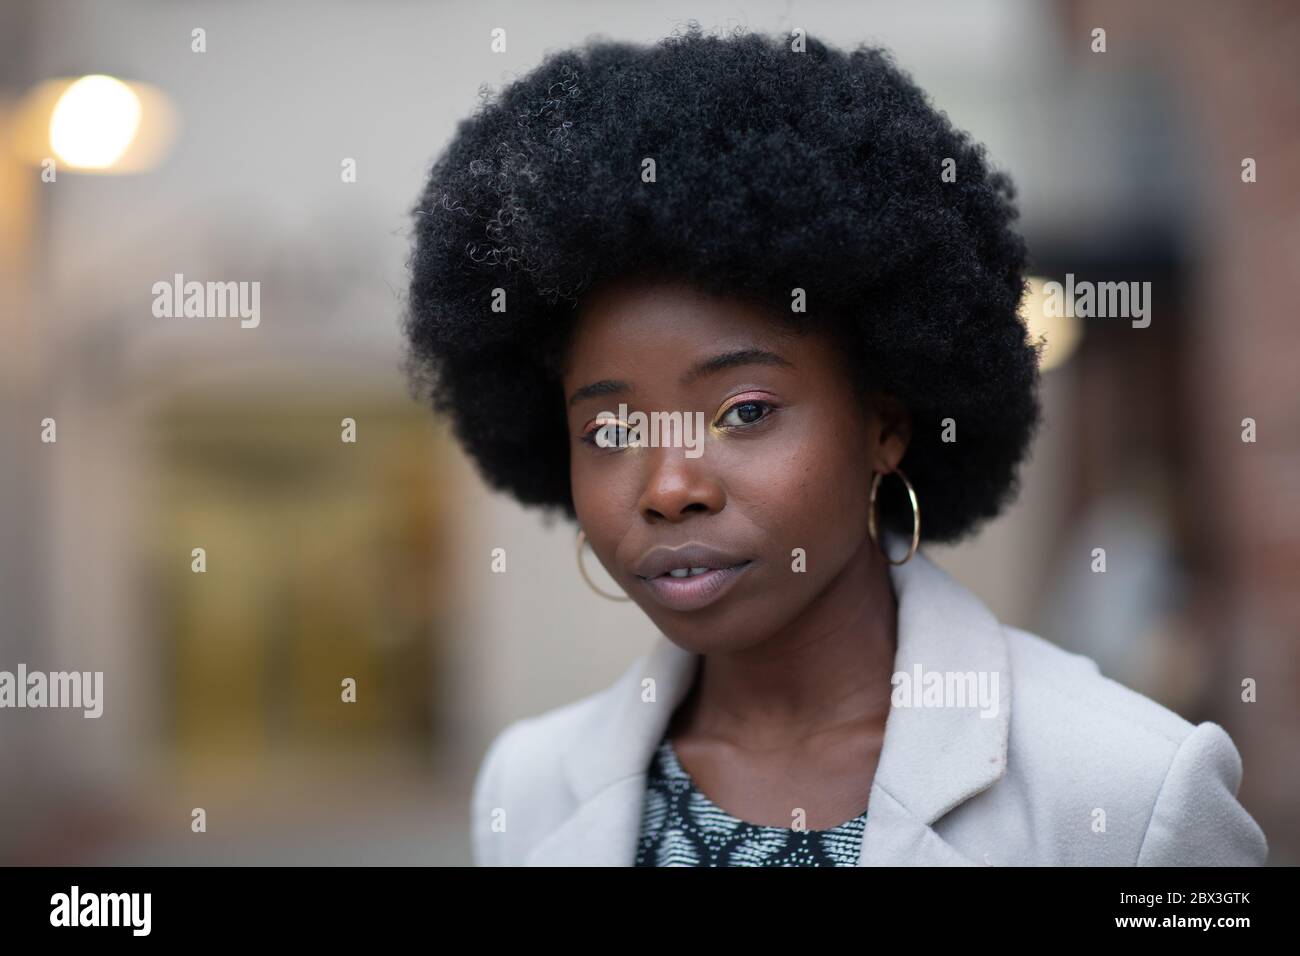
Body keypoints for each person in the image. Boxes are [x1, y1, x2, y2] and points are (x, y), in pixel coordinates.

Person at [402, 23, 1267, 866]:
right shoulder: (532, 787)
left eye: (743, 411)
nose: (668, 486)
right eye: (612, 430)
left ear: (883, 427)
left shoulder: (1129, 793)